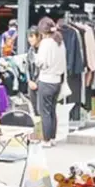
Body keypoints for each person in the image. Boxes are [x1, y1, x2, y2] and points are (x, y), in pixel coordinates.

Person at [35, 17, 67, 148]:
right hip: (57, 81)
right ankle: (53, 137)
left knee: (45, 112)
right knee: (52, 110)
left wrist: (36, 61)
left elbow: (42, 62)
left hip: (46, 80)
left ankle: (46, 139)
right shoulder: (60, 42)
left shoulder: (46, 43)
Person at [26, 26, 42, 115]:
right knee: (33, 109)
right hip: (32, 83)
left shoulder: (44, 50)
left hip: (42, 83)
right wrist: (29, 81)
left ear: (38, 36)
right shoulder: (30, 51)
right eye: (29, 37)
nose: (29, 39)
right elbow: (27, 67)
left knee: (41, 110)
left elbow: (45, 68)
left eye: (32, 36)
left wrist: (37, 82)